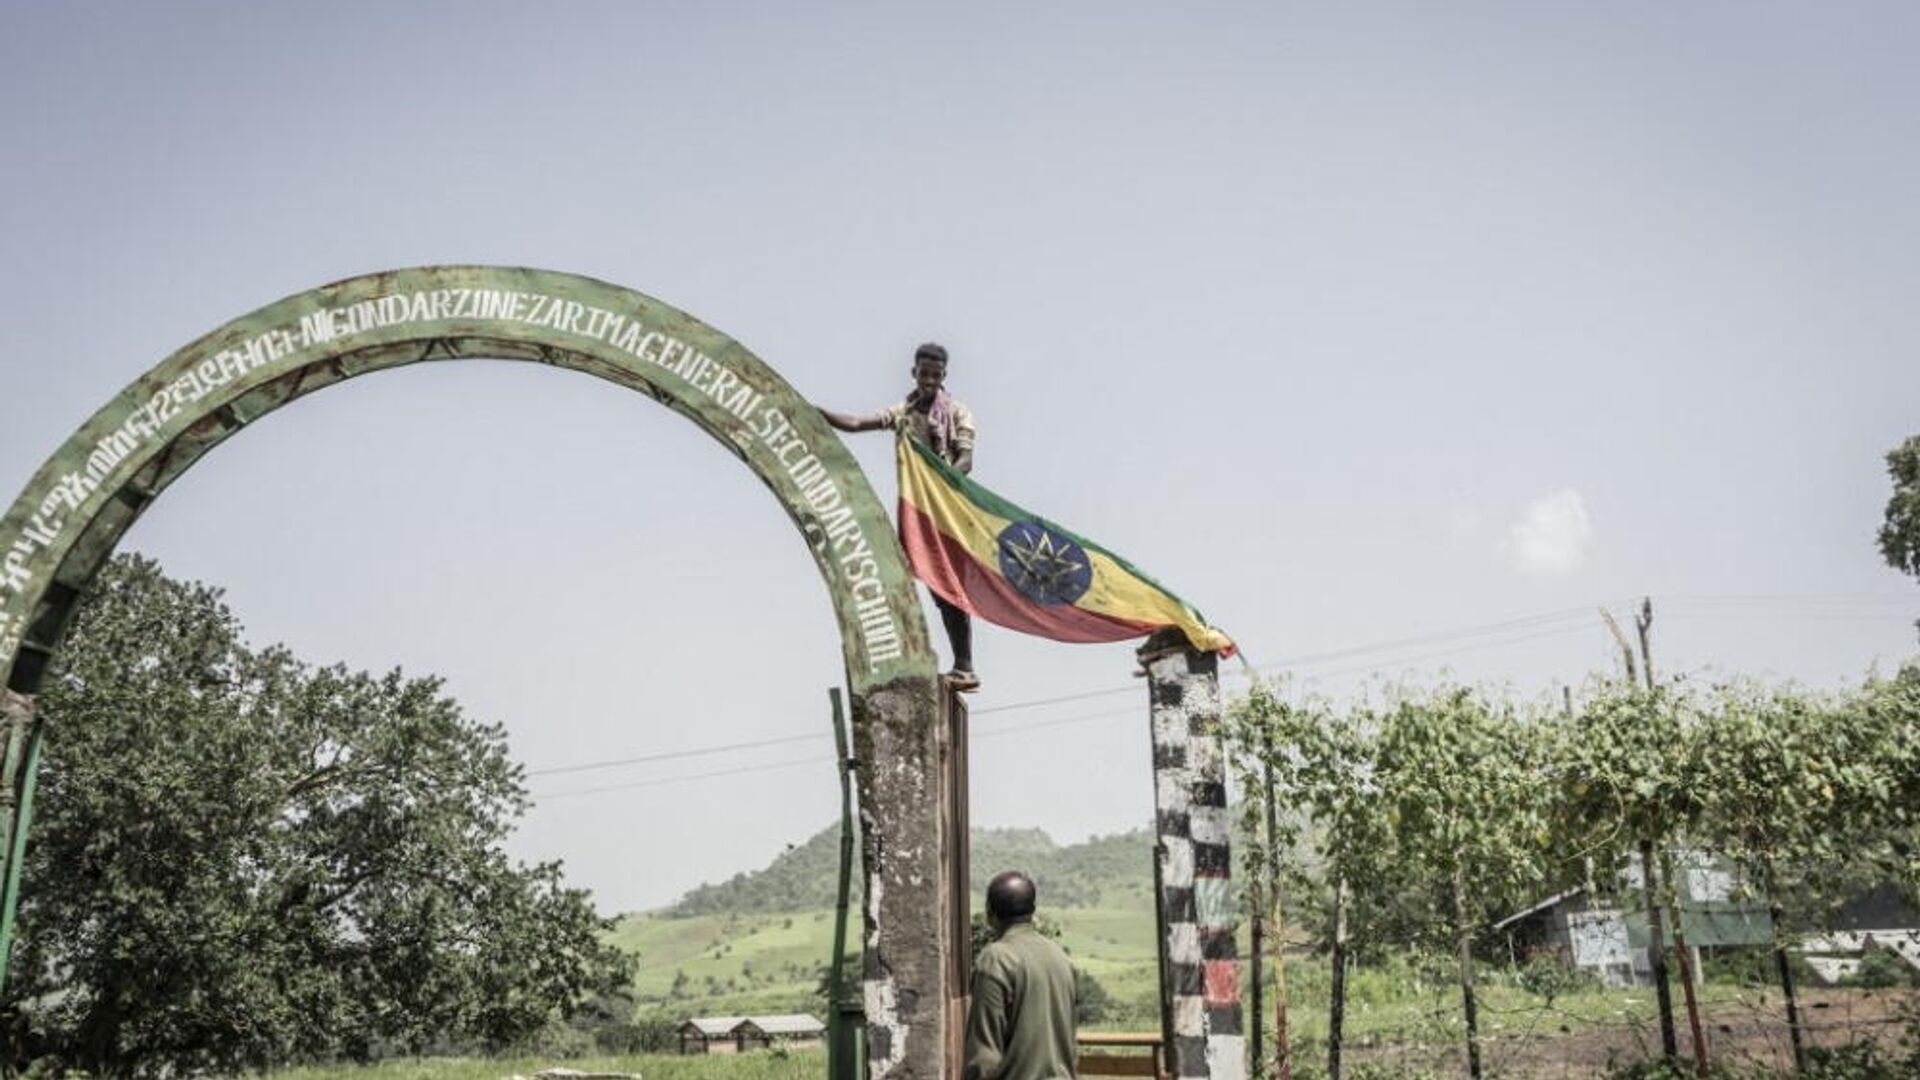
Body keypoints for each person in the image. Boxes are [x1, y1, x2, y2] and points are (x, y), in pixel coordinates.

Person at [820, 342, 981, 690]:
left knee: (947, 587)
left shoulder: (957, 413)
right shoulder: (903, 412)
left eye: (935, 375)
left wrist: (943, 479)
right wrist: (816, 413)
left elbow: (966, 459)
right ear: (914, 373)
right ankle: (903, 653)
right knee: (898, 573)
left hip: (946, 510)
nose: (929, 379)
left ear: (943, 377)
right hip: (915, 509)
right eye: (924, 373)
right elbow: (858, 422)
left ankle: (965, 666)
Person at [965, 871, 1077, 1080]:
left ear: (990, 913)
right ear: (1032, 910)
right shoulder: (1060, 958)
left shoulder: (996, 959)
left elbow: (984, 1057)